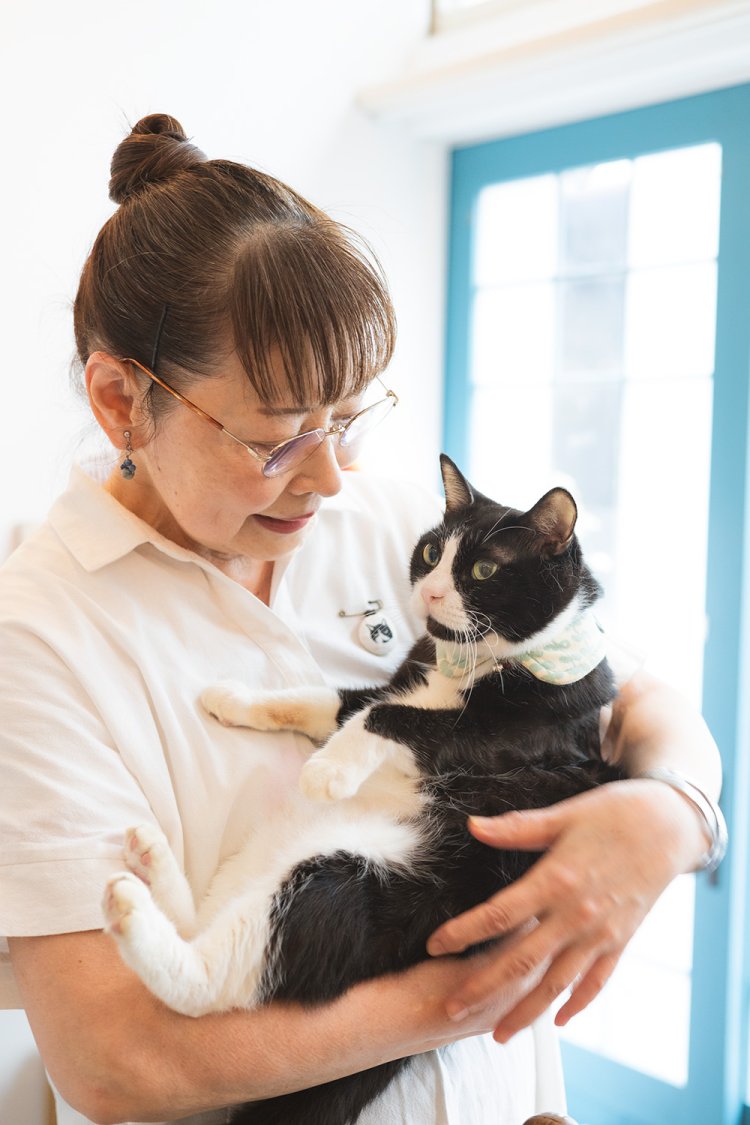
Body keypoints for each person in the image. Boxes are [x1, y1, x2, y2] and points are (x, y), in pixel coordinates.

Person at [0, 114, 723, 1125]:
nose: (331, 474)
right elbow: (117, 1062)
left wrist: (672, 813)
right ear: (123, 402)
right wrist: (483, 989)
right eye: (278, 440)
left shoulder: (386, 519)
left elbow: (624, 693)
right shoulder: (39, 634)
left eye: (345, 417)